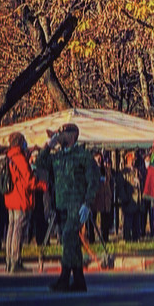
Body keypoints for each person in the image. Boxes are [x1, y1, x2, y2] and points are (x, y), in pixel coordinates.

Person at [35, 123, 100, 293]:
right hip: (61, 205)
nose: (59, 137)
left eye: (62, 134)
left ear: (72, 136)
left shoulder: (83, 155)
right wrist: (49, 145)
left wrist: (87, 203)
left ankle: (64, 278)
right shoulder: (58, 156)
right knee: (71, 242)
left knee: (68, 236)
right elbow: (39, 162)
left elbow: (93, 180)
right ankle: (79, 280)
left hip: (77, 205)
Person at [2, 131, 35, 273]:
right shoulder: (19, 158)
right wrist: (42, 184)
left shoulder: (8, 156)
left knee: (11, 228)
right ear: (20, 142)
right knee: (18, 230)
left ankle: (9, 260)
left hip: (10, 197)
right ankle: (15, 260)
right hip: (21, 197)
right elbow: (28, 180)